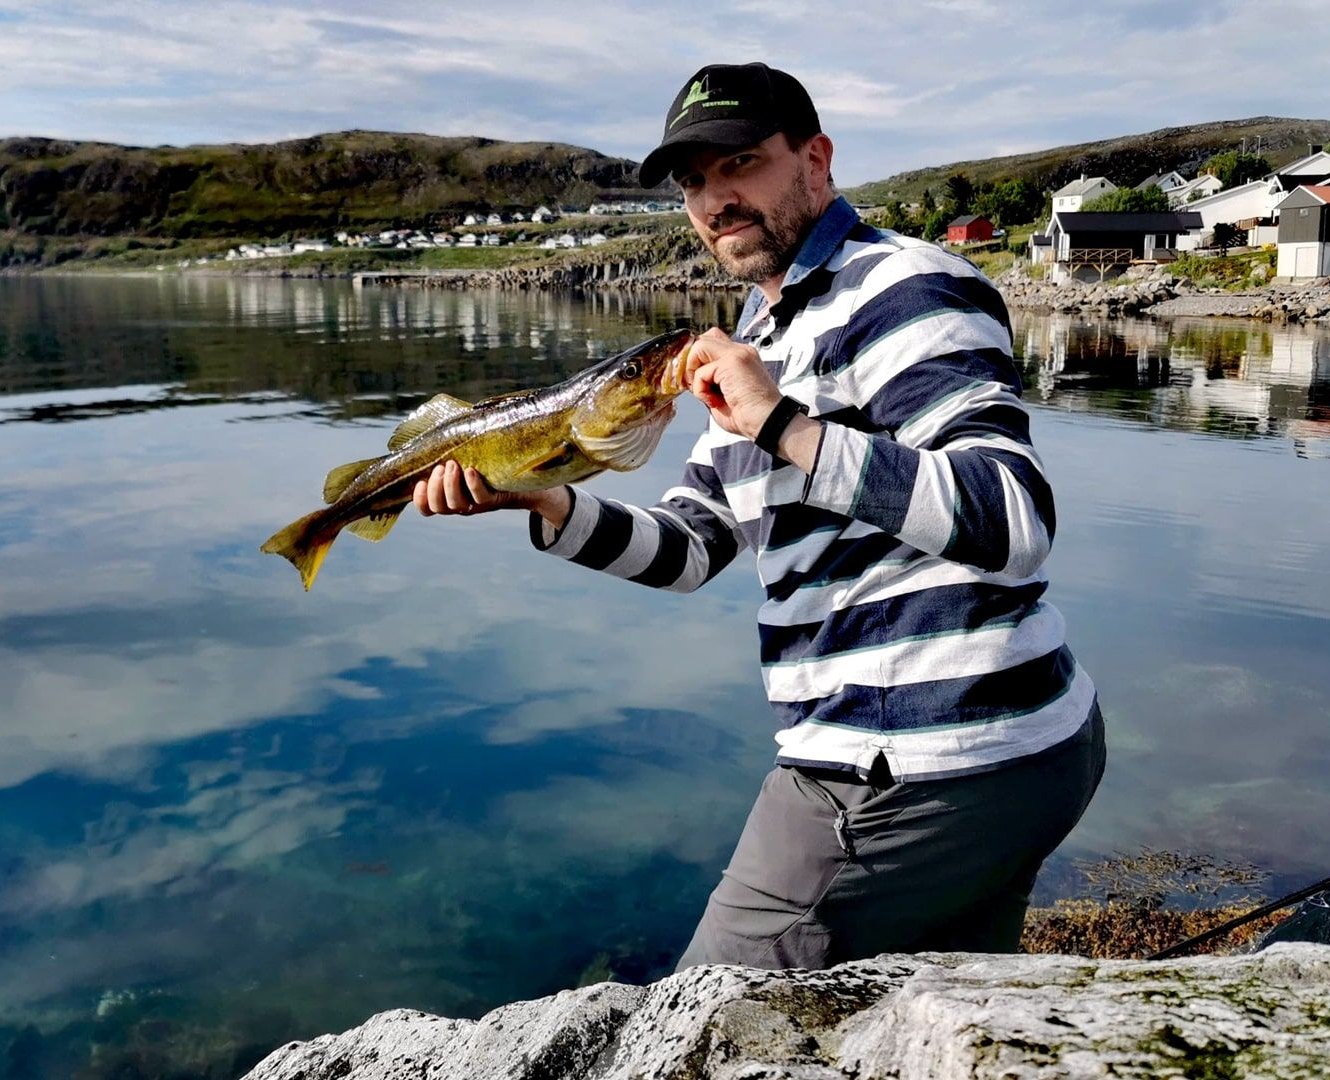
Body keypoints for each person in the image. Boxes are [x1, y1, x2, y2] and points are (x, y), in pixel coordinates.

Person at [410, 62, 1105, 972]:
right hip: (1014, 747)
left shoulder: (905, 288)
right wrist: (545, 502)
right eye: (694, 181)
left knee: (701, 1026)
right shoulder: (760, 332)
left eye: (739, 164)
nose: (714, 199)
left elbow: (1012, 519)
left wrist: (783, 425)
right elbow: (691, 548)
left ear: (816, 159)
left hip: (909, 758)